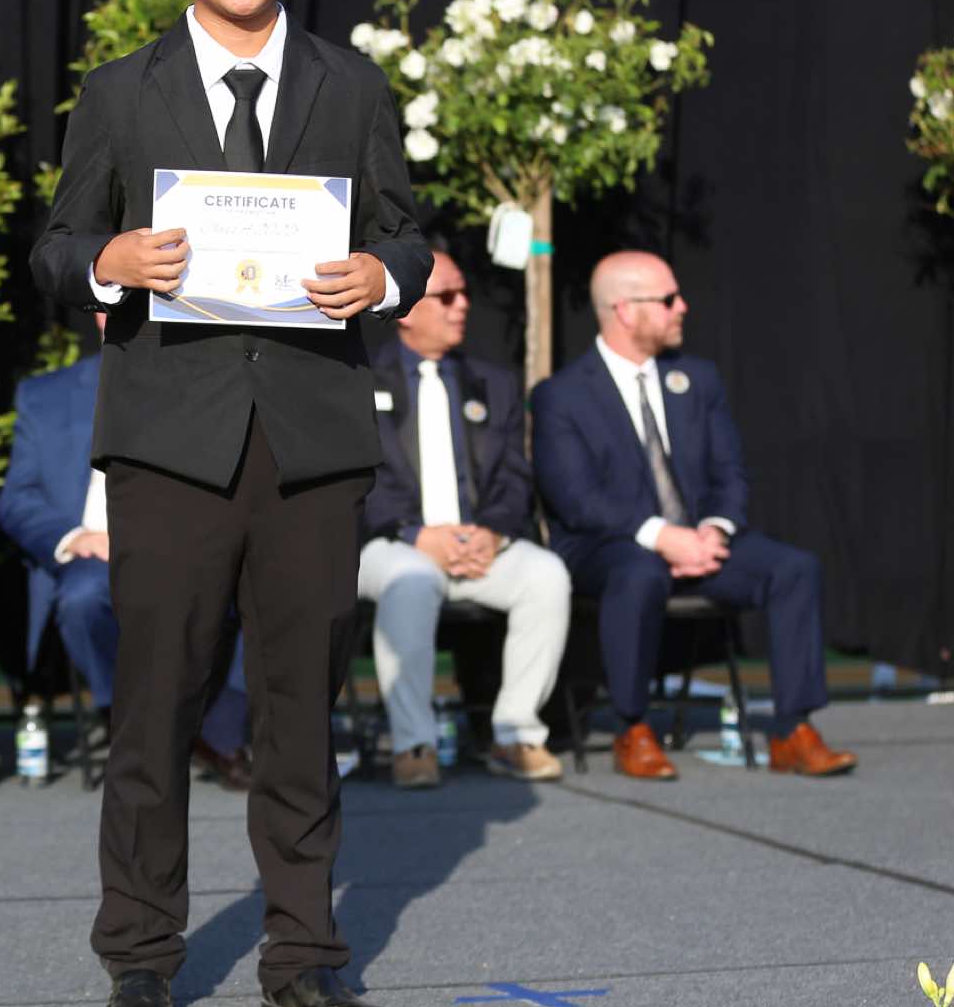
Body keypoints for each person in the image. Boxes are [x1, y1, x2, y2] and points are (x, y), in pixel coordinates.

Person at [32, 0, 430, 1007]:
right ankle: (139, 960)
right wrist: (106, 260)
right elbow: (55, 249)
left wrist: (383, 276)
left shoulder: (351, 85)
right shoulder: (120, 91)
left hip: (311, 442)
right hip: (169, 443)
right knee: (153, 706)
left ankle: (304, 958)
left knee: (298, 713)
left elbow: (408, 236)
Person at [529, 250, 857, 781]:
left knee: (793, 569)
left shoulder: (696, 380)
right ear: (624, 310)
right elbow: (575, 498)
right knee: (639, 573)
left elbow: (731, 473)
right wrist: (662, 537)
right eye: (668, 299)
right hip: (607, 546)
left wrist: (714, 529)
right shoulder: (561, 396)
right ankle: (632, 727)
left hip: (698, 542)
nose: (682, 307)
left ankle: (793, 729)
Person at [0, 313, 254, 791]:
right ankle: (133, 725)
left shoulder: (207, 383)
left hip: (183, 545)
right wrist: (74, 537)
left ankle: (217, 732)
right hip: (92, 551)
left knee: (248, 579)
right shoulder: (45, 395)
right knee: (82, 599)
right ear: (98, 311)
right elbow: (17, 498)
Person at [360, 250, 570, 789]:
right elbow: (357, 480)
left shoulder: (492, 383)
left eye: (464, 294)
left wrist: (491, 532)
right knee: (411, 579)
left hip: (476, 545)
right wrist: (414, 534)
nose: (462, 306)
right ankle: (413, 743)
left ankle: (515, 733)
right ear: (407, 308)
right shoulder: (359, 378)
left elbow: (515, 478)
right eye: (447, 296)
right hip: (387, 544)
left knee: (546, 576)